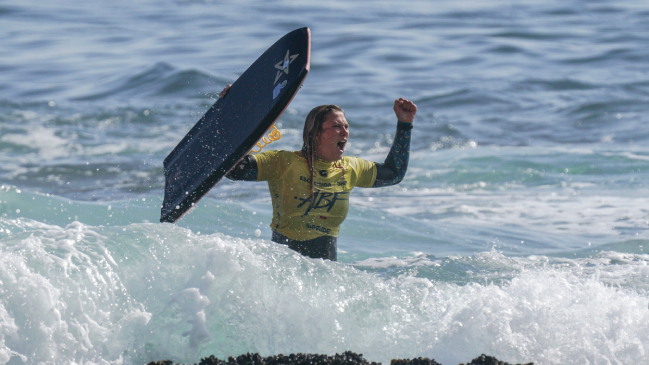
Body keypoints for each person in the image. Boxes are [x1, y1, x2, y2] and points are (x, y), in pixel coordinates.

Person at [221, 84, 417, 261]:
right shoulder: (284, 162)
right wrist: (233, 110)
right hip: (282, 270)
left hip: (325, 278)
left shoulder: (351, 168)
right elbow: (233, 169)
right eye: (336, 126)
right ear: (315, 135)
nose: (345, 132)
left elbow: (394, 174)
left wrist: (405, 124)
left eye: (346, 126)